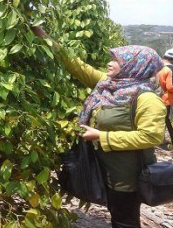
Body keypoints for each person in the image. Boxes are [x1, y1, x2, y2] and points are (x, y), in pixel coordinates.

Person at [31, 27, 166, 228]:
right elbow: (77, 66)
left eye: (116, 61)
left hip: (125, 176)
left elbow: (151, 137)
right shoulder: (109, 84)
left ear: (133, 66)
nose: (109, 63)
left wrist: (102, 137)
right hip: (104, 168)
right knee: (116, 214)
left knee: (124, 221)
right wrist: (45, 38)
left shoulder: (146, 99)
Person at [158, 48, 173, 148]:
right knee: (166, 119)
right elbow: (170, 87)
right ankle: (162, 140)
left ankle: (162, 139)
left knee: (164, 119)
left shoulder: (158, 68)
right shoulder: (169, 70)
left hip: (158, 98)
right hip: (167, 99)